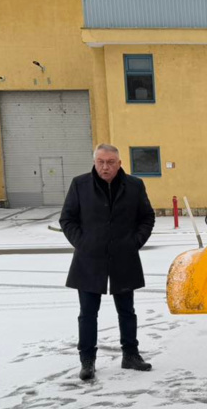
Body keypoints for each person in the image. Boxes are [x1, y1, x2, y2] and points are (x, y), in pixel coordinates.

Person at [60, 144, 156, 381]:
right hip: (89, 260)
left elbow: (147, 217)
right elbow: (67, 219)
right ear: (95, 162)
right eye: (101, 161)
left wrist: (134, 242)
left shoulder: (134, 185)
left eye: (111, 162)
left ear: (119, 163)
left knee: (127, 311)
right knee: (87, 314)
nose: (105, 166)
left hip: (124, 259)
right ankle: (87, 361)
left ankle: (131, 355)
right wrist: (83, 243)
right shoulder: (80, 185)